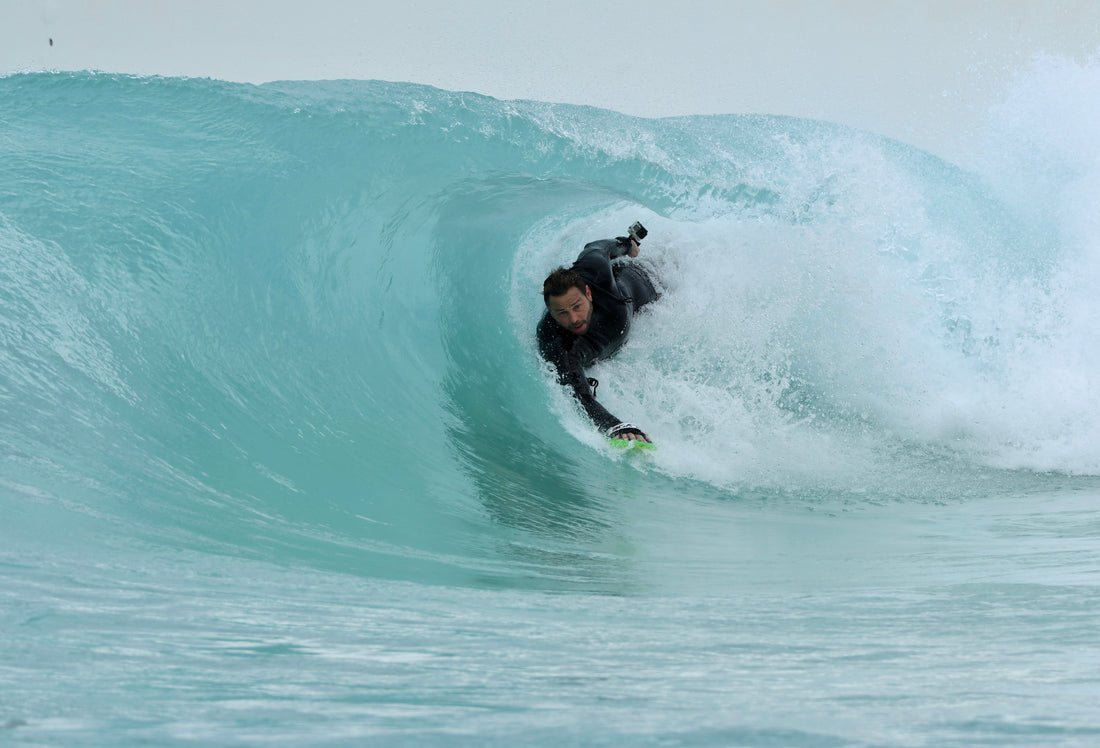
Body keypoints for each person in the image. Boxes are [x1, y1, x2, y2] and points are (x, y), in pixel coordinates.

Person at [537, 223, 661, 443]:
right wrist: (614, 425)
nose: (573, 319)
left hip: (648, 283)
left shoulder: (594, 270)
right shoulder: (558, 343)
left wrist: (628, 244)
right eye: (561, 313)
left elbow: (600, 247)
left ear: (588, 293)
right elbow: (581, 395)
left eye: (577, 306)